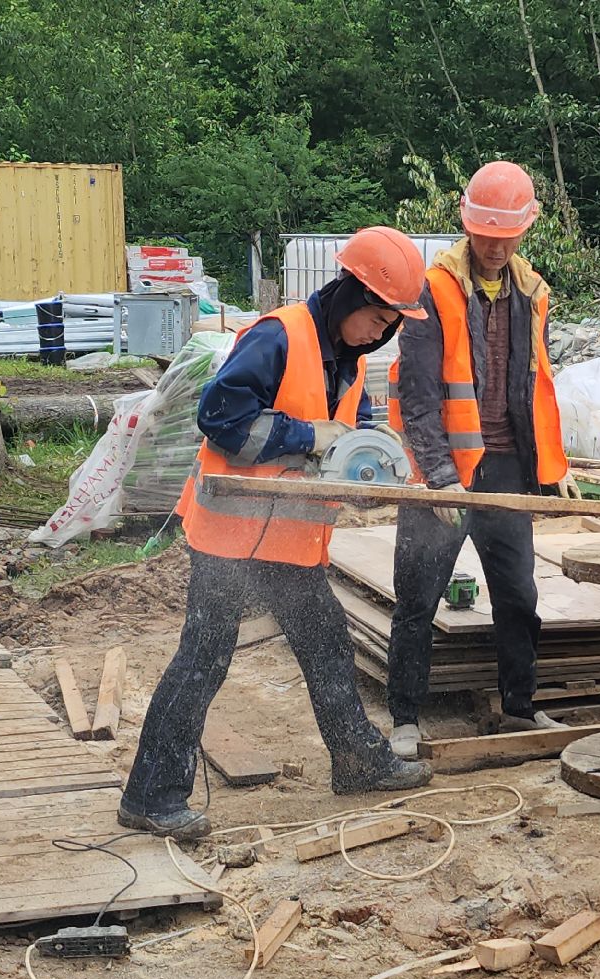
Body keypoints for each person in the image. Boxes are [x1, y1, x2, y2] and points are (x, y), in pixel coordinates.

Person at [118, 226, 434, 838]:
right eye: (376, 318)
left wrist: (360, 454)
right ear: (348, 293)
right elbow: (220, 420)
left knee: (327, 647)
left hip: (289, 538)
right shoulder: (276, 336)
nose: (381, 332)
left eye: (391, 324)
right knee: (203, 660)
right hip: (231, 537)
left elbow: (345, 429)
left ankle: (356, 760)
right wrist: (305, 437)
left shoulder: (348, 357)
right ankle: (150, 795)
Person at [383, 161, 576, 759]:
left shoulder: (532, 290)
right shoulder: (431, 287)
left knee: (518, 595)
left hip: (506, 465)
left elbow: (532, 383)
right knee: (417, 597)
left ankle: (519, 705)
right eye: (484, 233)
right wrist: (439, 478)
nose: (494, 245)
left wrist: (550, 469)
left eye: (506, 235)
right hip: (440, 470)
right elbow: (417, 394)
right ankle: (406, 718)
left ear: (525, 229)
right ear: (466, 225)